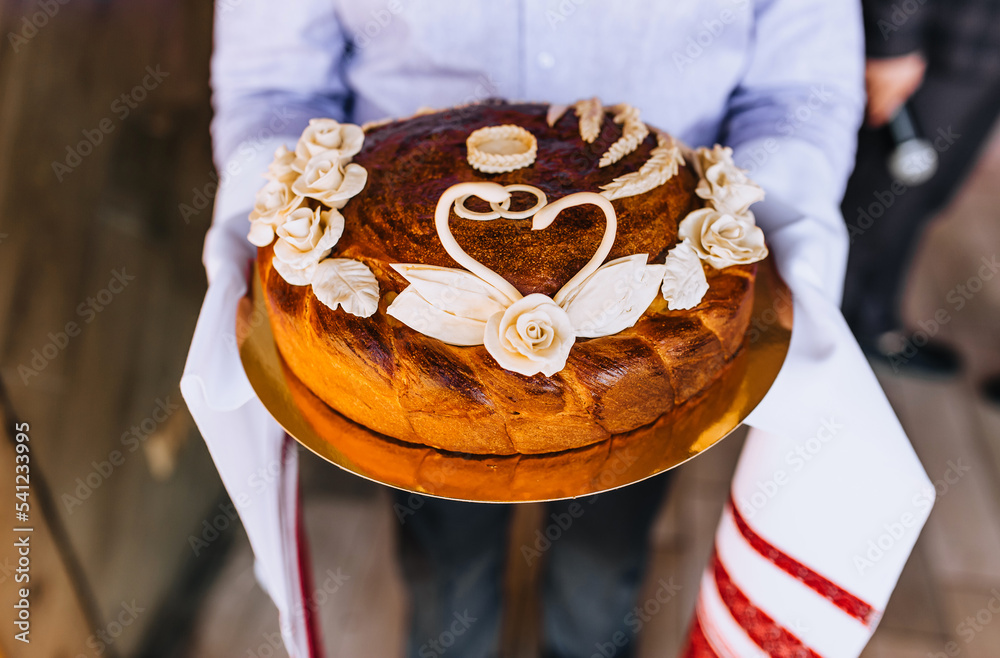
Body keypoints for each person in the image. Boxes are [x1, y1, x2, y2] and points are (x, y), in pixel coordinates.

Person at [210, 2, 864, 656]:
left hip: (659, 325)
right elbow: (273, 86)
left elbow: (799, 91)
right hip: (395, 337)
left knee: (603, 565)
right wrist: (279, 218)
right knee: (443, 564)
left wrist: (757, 236)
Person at [841, 0, 1000, 381]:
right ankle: (834, 334)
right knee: (884, 197)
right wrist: (891, 41)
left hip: (985, 50)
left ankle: (870, 322)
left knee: (927, 194)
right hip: (938, 42)